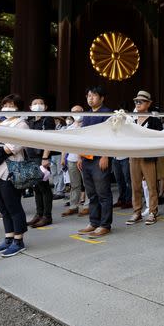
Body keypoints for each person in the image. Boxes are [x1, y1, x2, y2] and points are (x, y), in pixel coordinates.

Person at [0, 94, 30, 257]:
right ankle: (8, 238)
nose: (7, 107)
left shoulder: (21, 125)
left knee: (13, 206)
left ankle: (18, 240)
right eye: (5, 104)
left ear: (18, 107)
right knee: (2, 208)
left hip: (10, 169)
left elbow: (10, 148)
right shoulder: (0, 123)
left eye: (11, 105)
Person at [77, 86, 114, 238]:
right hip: (86, 158)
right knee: (91, 194)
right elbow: (82, 136)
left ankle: (105, 225)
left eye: (94, 95)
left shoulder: (107, 114)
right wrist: (80, 156)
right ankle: (93, 222)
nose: (90, 98)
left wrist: (106, 155)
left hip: (100, 158)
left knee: (103, 193)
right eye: (88, 95)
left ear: (102, 98)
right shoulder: (86, 115)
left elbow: (110, 135)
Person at [126, 91, 163, 226]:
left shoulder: (154, 120)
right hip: (134, 156)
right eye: (136, 101)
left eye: (141, 101)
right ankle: (137, 212)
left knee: (151, 185)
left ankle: (153, 212)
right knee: (135, 186)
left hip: (148, 156)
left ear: (148, 103)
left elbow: (159, 137)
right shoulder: (131, 120)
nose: (138, 103)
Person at [25, 96, 56, 228]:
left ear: (46, 107)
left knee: (44, 188)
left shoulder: (47, 120)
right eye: (35, 103)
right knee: (36, 187)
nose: (38, 105)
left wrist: (45, 157)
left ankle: (47, 216)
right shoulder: (30, 122)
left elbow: (49, 139)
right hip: (30, 157)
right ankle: (39, 214)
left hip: (40, 157)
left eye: (41, 103)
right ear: (30, 108)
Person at [61, 105, 85, 217]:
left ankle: (87, 206)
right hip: (71, 159)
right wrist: (63, 158)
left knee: (87, 183)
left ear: (83, 111)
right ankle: (73, 206)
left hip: (84, 158)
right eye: (73, 111)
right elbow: (65, 144)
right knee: (74, 184)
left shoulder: (86, 125)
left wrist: (81, 157)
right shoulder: (69, 127)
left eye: (78, 111)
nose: (76, 113)